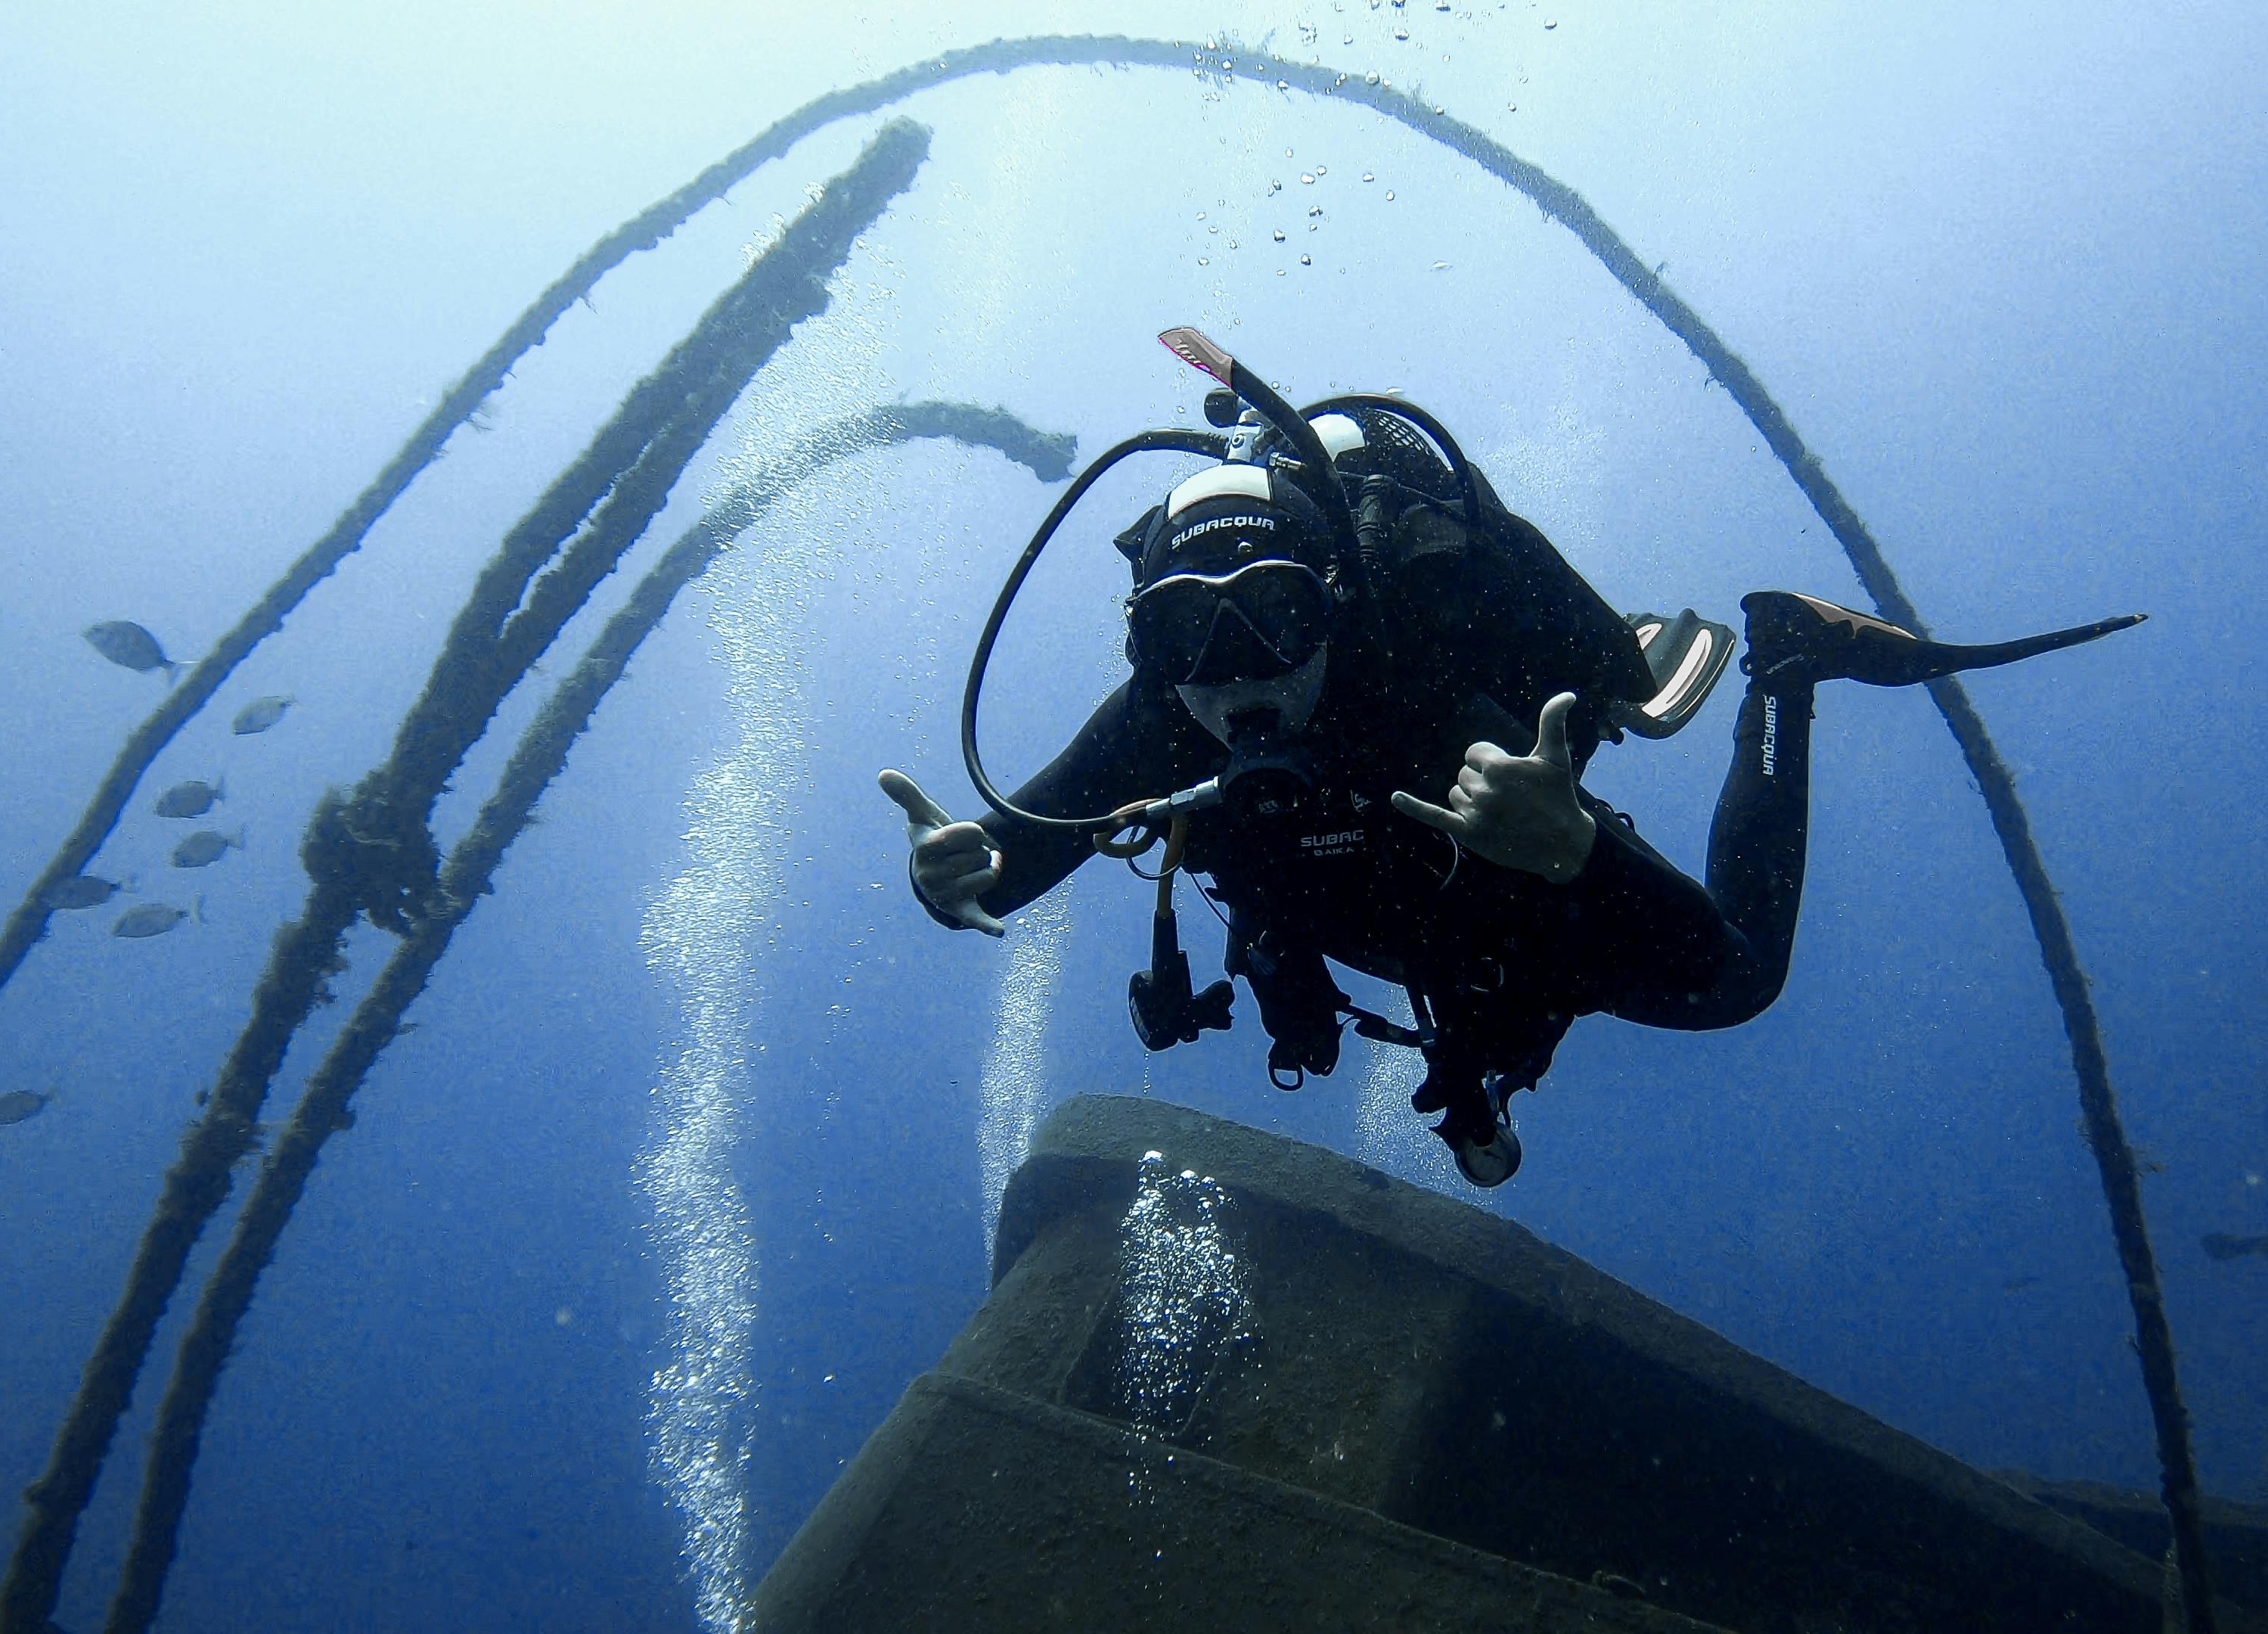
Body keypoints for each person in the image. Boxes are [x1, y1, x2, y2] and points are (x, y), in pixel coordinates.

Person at [889, 398, 2139, 1186]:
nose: (1235, 679)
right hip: (1410, 941)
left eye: (1271, 620)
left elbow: (1664, 928)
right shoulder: (1166, 717)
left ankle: (1790, 662)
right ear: (1148, 651)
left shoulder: (1419, 677)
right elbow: (1017, 842)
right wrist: (966, 872)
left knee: (1742, 981)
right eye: (1186, 642)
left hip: (1523, 911)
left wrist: (1572, 849)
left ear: (1327, 606)